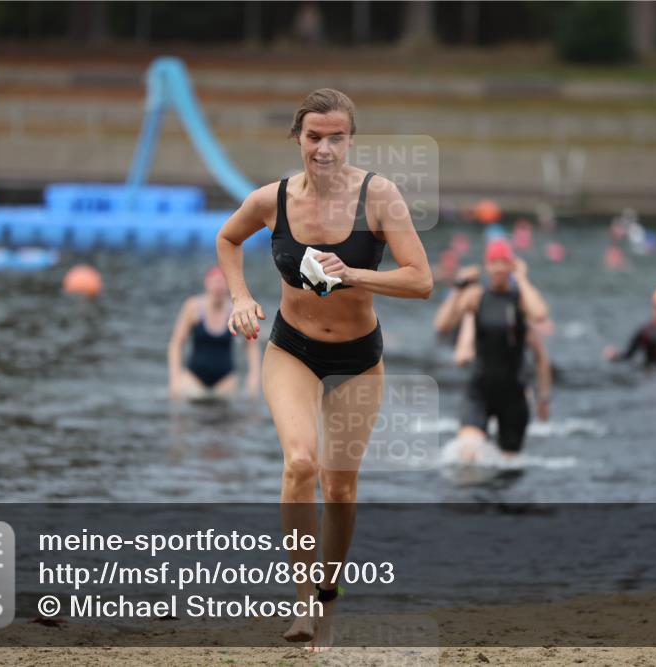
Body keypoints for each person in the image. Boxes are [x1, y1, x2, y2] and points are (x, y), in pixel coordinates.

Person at [214, 88, 432, 651]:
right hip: (292, 349)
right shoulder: (273, 199)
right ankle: (303, 596)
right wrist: (239, 297)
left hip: (359, 359)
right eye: (315, 137)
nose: (326, 148)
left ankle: (329, 593)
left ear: (350, 140)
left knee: (339, 486)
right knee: (300, 463)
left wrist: (357, 274)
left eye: (337, 137)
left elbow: (420, 280)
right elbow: (228, 238)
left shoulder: (379, 197)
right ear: (298, 140)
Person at [445, 238, 552, 460]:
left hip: (513, 395)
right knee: (468, 453)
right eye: (494, 262)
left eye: (505, 262)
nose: (500, 267)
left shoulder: (520, 300)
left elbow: (540, 315)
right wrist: (457, 289)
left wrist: (544, 397)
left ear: (512, 265)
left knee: (508, 466)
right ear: (487, 265)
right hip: (480, 390)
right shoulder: (477, 297)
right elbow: (443, 324)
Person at [168, 266, 260, 400]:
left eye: (222, 283)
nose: (218, 288)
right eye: (215, 283)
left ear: (228, 287)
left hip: (225, 381)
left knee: (225, 417)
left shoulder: (236, 311)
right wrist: (175, 379)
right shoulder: (193, 308)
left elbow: (251, 344)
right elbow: (176, 344)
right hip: (193, 379)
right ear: (207, 284)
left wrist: (253, 377)